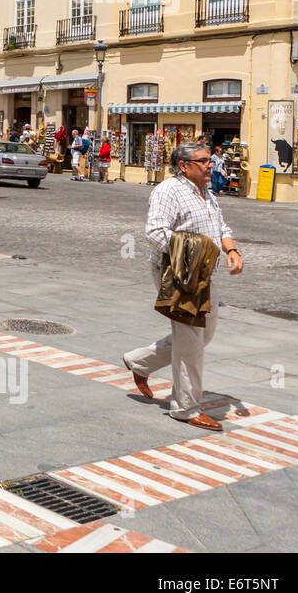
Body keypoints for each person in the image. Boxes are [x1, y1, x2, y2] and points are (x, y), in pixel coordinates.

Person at [122, 142, 243, 431]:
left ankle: (139, 362)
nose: (209, 164)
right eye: (202, 161)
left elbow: (221, 227)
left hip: (204, 273)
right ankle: (186, 408)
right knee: (191, 340)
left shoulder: (207, 192)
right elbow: (154, 231)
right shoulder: (168, 190)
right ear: (185, 165)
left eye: (209, 160)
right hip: (178, 271)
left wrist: (231, 250)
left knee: (204, 334)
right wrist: (192, 253)